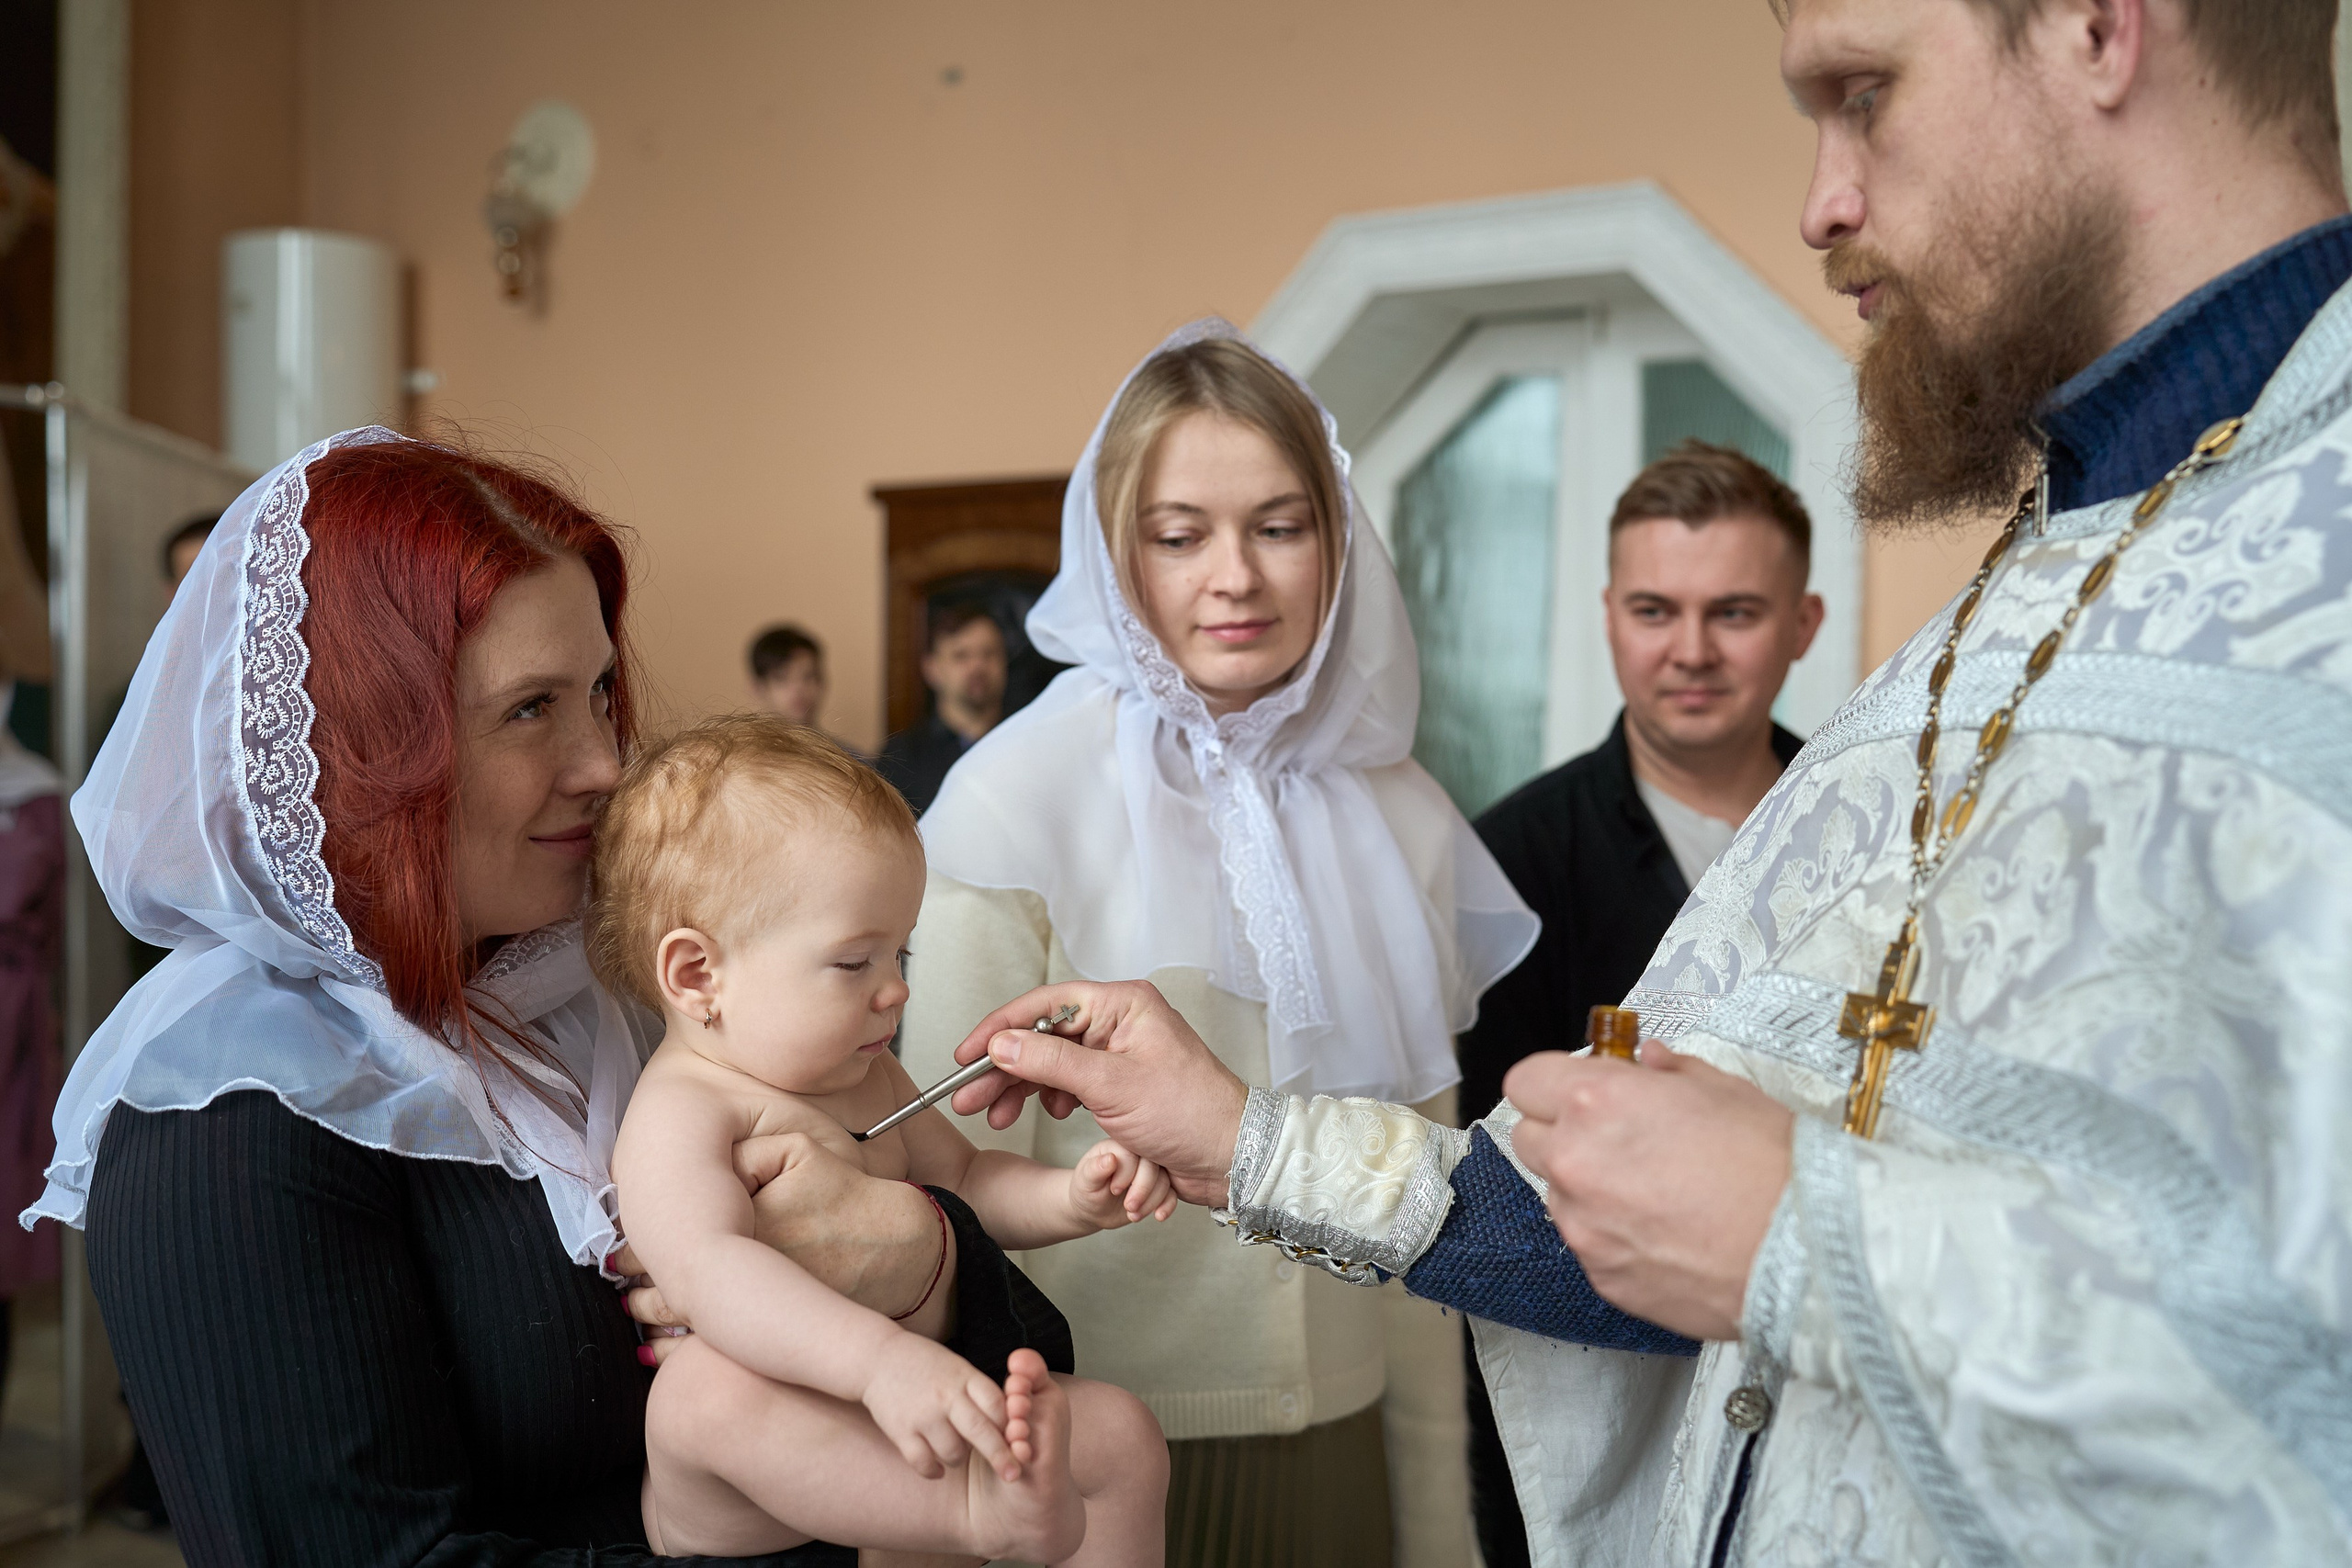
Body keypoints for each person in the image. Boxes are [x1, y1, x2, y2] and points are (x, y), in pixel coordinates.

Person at [932, 1, 2352, 1562]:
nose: (1820, 201)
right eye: (1180, 532)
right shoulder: (2033, 580)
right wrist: (1242, 1133)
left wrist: (1805, 1230)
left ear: (2098, 26)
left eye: (1864, 90)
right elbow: (1624, 1215)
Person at [22, 426, 1023, 1567]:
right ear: (365, 747)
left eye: (598, 693)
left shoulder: (629, 992)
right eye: (531, 708)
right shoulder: (228, 1128)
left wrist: (925, 1260)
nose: (605, 763)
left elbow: (1027, 1368)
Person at [900, 321, 1537, 1567]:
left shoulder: (1401, 815)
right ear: (1115, 549)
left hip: (1350, 1448)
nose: (1235, 576)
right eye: (1180, 535)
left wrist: (1436, 1524)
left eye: (1279, 527)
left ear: (1336, 541)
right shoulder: (1014, 799)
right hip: (1090, 1460)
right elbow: (941, 1198)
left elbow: (1421, 1202)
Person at [595, 715, 1169, 1562]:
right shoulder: (682, 1110)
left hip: (899, 1413)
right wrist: (877, 1364)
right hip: (760, 1476)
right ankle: (972, 1511)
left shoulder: (866, 1075)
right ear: (697, 974)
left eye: (901, 953)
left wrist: (1074, 1197)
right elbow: (708, 1274)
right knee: (700, 1393)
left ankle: (977, 1509)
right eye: (854, 961)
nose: (896, 989)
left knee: (1123, 1434)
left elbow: (965, 1180)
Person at [1455, 441, 1819, 1566]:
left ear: (1803, 624)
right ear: (1609, 618)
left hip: (1814, 1377)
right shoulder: (1506, 864)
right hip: (1588, 1407)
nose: (1691, 651)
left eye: (1735, 612)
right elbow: (1485, 1189)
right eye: (1655, 610)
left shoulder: (1874, 832)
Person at [876, 603, 1006, 814]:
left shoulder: (1027, 745)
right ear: (932, 669)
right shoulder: (901, 757)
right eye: (961, 655)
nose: (978, 666)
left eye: (989, 653)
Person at [748, 623, 830, 730]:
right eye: (782, 677)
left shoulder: (842, 743)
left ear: (822, 682)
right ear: (758, 688)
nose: (798, 688)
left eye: (808, 676)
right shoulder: (739, 742)